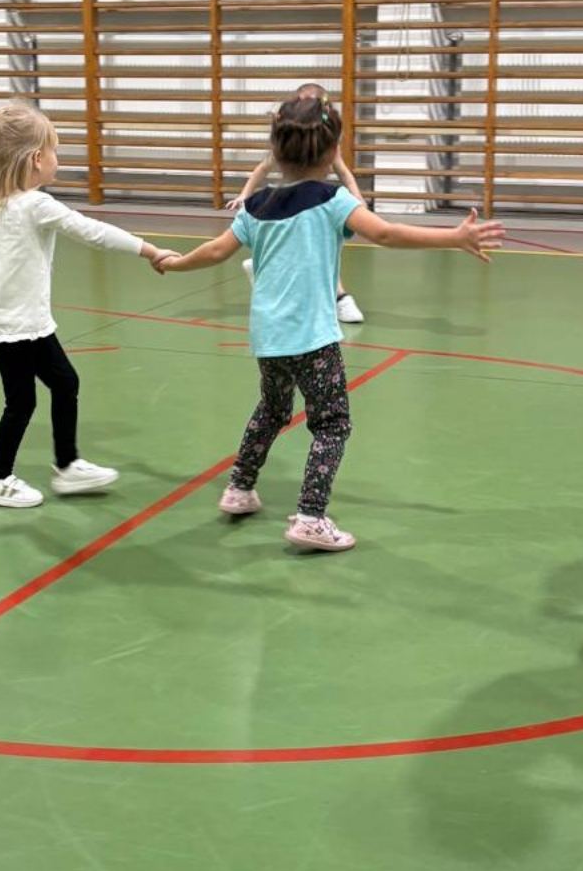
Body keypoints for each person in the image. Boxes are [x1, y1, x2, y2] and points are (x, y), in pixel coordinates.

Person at [157, 92, 504, 551]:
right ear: (332, 151)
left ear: (275, 150)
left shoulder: (256, 205)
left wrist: (175, 263)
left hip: (268, 338)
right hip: (313, 340)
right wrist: (453, 237)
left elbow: (216, 251)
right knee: (332, 424)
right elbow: (385, 233)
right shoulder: (332, 200)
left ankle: (239, 487)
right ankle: (310, 516)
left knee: (272, 411)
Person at [0, 101, 177, 508]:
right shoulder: (35, 204)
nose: (57, 160)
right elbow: (92, 231)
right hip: (17, 328)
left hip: (16, 324)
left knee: (65, 383)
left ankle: (67, 465)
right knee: (22, 403)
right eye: (54, 151)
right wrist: (148, 250)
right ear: (36, 158)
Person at [228, 82, 367, 323]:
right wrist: (244, 194)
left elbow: (344, 173)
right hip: (292, 203)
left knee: (322, 250)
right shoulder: (288, 142)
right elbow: (262, 168)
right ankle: (339, 298)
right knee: (308, 250)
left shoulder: (327, 144)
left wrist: (357, 198)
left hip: (318, 202)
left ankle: (338, 297)